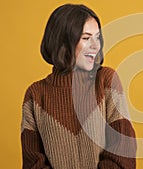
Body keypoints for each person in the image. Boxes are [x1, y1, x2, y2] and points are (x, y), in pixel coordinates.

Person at [21, 4, 136, 169]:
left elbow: (123, 156)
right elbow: (33, 163)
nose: (96, 46)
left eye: (97, 37)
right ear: (62, 42)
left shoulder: (106, 81)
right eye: (86, 38)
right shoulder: (35, 95)